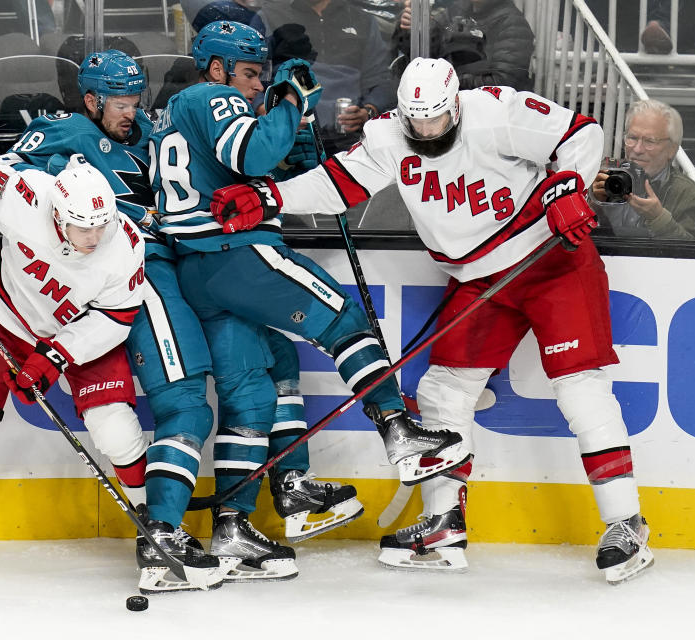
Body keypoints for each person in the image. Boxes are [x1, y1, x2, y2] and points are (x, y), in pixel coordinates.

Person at [212, 57, 654, 584]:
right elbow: (339, 185)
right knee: (444, 391)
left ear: (454, 105)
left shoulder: (496, 110)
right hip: (476, 278)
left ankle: (626, 524)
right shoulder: (387, 136)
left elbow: (582, 133)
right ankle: (443, 522)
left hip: (550, 259)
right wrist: (270, 197)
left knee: (580, 388)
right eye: (415, 121)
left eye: (435, 121)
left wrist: (568, 188)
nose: (425, 131)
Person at [6, 47, 361, 588]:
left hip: (190, 267)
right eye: (117, 103)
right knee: (187, 407)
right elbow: (7, 179)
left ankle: (237, 529)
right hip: (136, 273)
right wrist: (102, 213)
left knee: (259, 382)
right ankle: (162, 542)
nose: (130, 111)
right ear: (91, 100)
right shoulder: (66, 133)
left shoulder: (154, 131)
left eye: (134, 100)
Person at [152, 23, 470, 572]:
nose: (254, 85)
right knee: (344, 318)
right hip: (236, 253)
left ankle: (232, 526)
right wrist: (292, 103)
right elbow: (251, 154)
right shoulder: (213, 96)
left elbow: (259, 167)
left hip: (198, 271)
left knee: (251, 399)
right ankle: (399, 430)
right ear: (217, 67)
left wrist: (293, 133)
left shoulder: (180, 111)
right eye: (249, 73)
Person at [0, 145, 227, 586]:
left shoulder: (123, 244)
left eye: (100, 226)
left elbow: (117, 316)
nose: (94, 238)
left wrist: (56, 355)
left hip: (82, 332)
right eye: (82, 228)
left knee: (116, 428)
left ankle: (158, 532)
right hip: (7, 315)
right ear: (56, 214)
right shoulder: (25, 194)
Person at [258, 0, 395, 154]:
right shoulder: (269, 16)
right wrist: (268, 112)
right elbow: (250, 74)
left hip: (349, 140)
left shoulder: (363, 21)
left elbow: (381, 79)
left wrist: (368, 111)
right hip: (289, 137)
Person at [589, 99, 695, 240]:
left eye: (649, 141)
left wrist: (658, 217)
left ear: (671, 150)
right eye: (632, 138)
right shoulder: (604, 175)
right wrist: (592, 205)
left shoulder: (685, 192)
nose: (637, 149)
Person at [395, 0, 535, 91]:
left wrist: (446, 81)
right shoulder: (459, 9)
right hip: (449, 101)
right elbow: (424, 51)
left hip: (491, 112)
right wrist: (411, 29)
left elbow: (502, 84)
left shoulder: (512, 23)